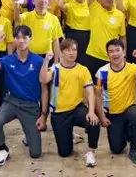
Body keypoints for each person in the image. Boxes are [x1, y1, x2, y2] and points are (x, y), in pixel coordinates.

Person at [0, 25, 48, 166]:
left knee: (36, 153)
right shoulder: (7, 60)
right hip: (11, 102)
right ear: (13, 40)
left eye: (24, 37)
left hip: (30, 106)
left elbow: (45, 90)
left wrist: (44, 114)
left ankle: (28, 134)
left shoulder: (39, 61)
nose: (21, 41)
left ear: (30, 39)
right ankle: (3, 149)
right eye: (17, 37)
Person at [39, 38, 101, 167]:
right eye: (68, 50)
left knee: (94, 122)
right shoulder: (55, 69)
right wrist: (46, 61)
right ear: (61, 52)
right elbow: (43, 79)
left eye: (74, 50)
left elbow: (90, 91)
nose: (71, 53)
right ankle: (68, 134)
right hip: (59, 113)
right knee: (64, 153)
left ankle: (91, 152)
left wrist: (91, 111)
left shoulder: (83, 69)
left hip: (77, 109)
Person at [96, 39, 136, 164]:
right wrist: (101, 117)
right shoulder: (101, 72)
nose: (115, 54)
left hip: (130, 108)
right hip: (113, 113)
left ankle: (134, 149)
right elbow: (98, 96)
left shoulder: (132, 68)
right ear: (107, 55)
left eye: (117, 50)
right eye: (111, 51)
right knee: (116, 149)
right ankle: (126, 132)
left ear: (123, 52)